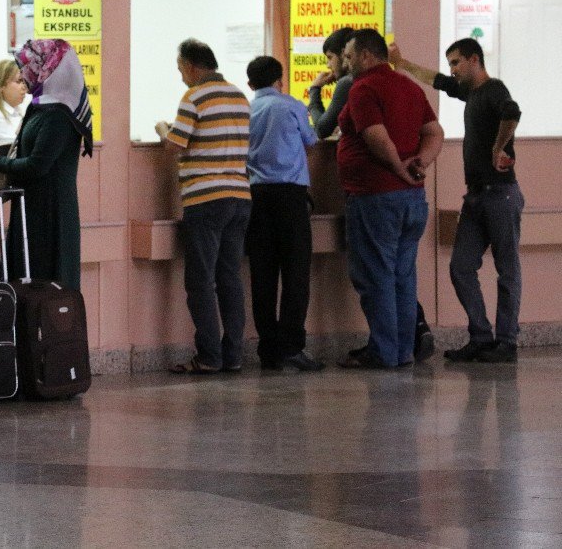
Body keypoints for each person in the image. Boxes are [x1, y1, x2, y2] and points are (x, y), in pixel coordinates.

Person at [390, 38, 523, 363]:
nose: (453, 69)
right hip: (477, 195)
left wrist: (499, 147)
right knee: (461, 267)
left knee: (507, 269)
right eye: (450, 63)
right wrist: (402, 63)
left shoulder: (493, 89)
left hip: (500, 194)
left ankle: (506, 342)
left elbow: (512, 111)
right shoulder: (471, 93)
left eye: (456, 62)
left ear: (474, 60)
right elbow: (438, 80)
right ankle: (480, 337)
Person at [311, 27, 437, 361]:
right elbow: (434, 131)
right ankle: (402, 351)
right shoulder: (408, 86)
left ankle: (384, 351)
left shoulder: (364, 88)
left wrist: (398, 168)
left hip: (375, 197)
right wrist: (419, 164)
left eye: (350, 56)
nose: (346, 63)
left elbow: (376, 138)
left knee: (376, 275)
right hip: (412, 199)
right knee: (402, 277)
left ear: (367, 55)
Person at [156, 39, 251, 375]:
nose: (181, 76)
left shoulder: (193, 96)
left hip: (205, 198)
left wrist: (162, 130)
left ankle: (209, 356)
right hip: (240, 195)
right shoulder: (240, 96)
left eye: (181, 68)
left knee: (200, 280)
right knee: (230, 279)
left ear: (192, 66)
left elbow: (175, 146)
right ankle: (234, 355)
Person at [0, 39, 92, 291]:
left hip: (51, 214)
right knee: (25, 283)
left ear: (49, 68)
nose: (23, 73)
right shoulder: (40, 107)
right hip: (31, 209)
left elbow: (37, 166)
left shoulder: (60, 115)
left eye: (29, 66)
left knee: (47, 289)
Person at [245, 56, 323, 372]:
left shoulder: (246, 110)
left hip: (256, 197)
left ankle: (269, 350)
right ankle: (292, 346)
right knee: (295, 274)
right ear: (281, 79)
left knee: (262, 274)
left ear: (250, 84)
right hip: (291, 197)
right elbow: (312, 140)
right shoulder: (291, 105)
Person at [308, 26, 355, 140]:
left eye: (330, 57)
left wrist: (314, 89)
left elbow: (321, 130)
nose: (328, 65)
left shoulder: (347, 82)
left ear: (344, 54)